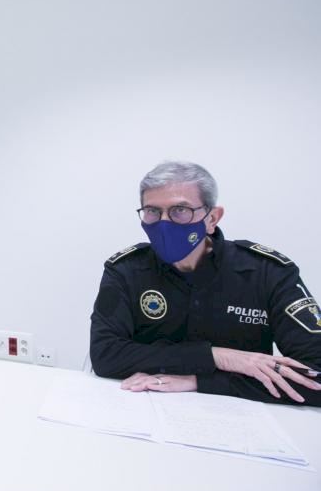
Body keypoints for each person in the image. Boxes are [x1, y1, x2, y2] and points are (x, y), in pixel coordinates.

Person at [90, 161, 321, 406]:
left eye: (180, 210)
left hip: (240, 419)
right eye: (152, 211)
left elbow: (316, 374)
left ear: (212, 218)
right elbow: (106, 355)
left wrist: (200, 381)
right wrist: (215, 356)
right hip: (141, 408)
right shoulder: (125, 270)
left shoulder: (267, 273)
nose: (164, 223)